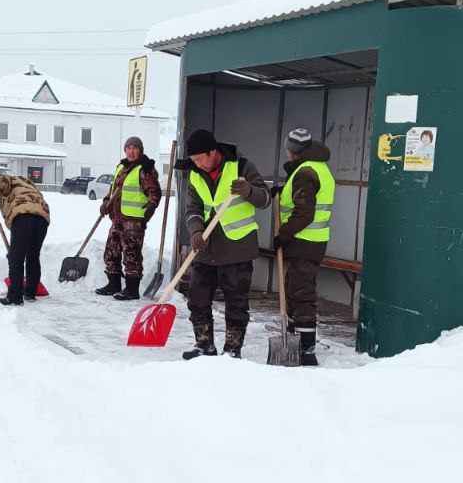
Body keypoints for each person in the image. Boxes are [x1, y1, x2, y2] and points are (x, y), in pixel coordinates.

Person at [180, 128, 270, 360]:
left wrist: (249, 191)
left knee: (236, 304)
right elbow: (193, 209)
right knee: (197, 299)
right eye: (194, 160)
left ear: (213, 152)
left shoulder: (241, 167)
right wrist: (196, 231)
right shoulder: (194, 175)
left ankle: (232, 351)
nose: (198, 164)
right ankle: (204, 345)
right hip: (205, 247)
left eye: (201, 159)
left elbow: (265, 200)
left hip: (237, 248)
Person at [273, 127, 336, 366]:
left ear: (294, 151)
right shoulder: (315, 167)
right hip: (310, 242)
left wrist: (284, 234)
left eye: (289, 148)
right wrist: (282, 193)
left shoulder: (306, 172)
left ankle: (306, 350)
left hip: (305, 241)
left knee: (301, 294)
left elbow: (304, 213)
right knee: (294, 290)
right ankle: (295, 338)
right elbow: (300, 199)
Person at [94, 135, 162, 301]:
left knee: (131, 254)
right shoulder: (122, 167)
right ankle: (114, 284)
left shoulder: (144, 168)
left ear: (140, 150)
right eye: (128, 148)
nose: (131, 151)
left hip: (133, 220)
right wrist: (105, 203)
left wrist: (152, 204)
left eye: (135, 148)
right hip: (117, 218)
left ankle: (132, 289)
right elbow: (113, 190)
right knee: (111, 251)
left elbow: (153, 191)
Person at [0, 174, 50, 305]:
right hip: (42, 218)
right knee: (33, 256)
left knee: (16, 258)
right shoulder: (28, 184)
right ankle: (30, 292)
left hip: (23, 216)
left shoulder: (8, 179)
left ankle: (15, 297)